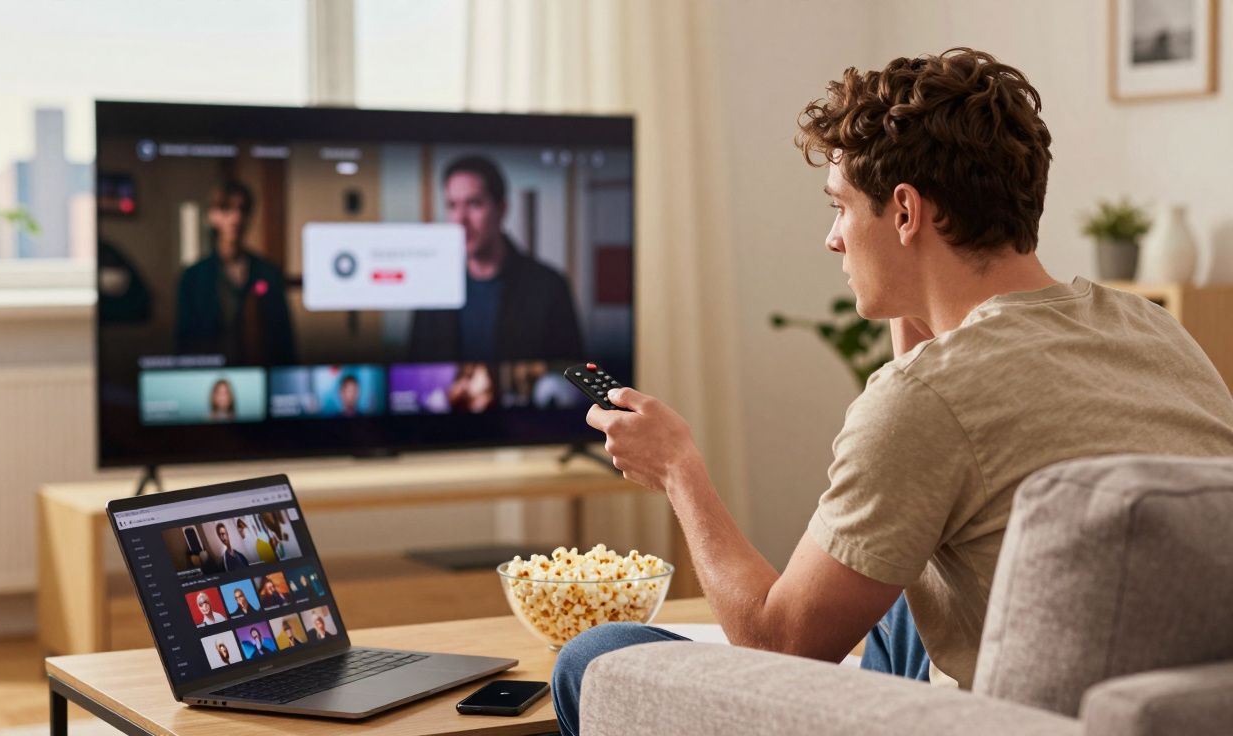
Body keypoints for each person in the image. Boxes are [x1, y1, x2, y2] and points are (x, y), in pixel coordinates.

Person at [549, 48, 1233, 735]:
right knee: (910, 578)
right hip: (1141, 705)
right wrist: (921, 350)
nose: (832, 239)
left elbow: (779, 642)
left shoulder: (931, 397)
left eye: (841, 208)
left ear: (904, 211)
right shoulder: (1152, 330)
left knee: (596, 656)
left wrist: (678, 470)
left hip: (986, 722)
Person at [407, 156, 584, 362]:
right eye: (452, 205)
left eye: (474, 204)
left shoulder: (549, 287)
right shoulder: (430, 287)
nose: (460, 219)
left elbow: (570, 376)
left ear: (501, 209)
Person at [176, 180, 296, 366]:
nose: (236, 218)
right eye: (227, 209)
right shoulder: (193, 277)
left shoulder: (268, 273)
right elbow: (185, 343)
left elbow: (285, 341)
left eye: (243, 209)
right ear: (212, 216)